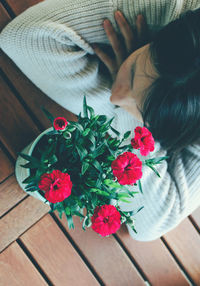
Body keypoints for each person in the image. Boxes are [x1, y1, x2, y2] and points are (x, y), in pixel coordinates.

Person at [0, 0, 200, 241]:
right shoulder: (170, 10)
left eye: (142, 111)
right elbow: (24, 38)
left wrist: (125, 116)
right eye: (134, 70)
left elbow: (152, 223)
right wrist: (134, 120)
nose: (115, 96)